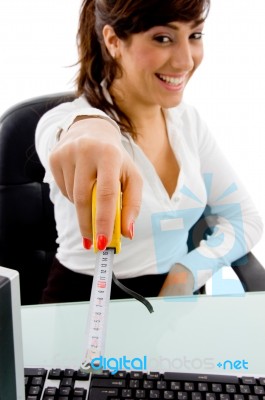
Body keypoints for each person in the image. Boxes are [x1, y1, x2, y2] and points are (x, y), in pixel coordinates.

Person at [36, 0, 263, 303]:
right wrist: (93, 126)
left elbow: (244, 219)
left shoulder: (188, 122)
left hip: (176, 302)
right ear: (114, 40)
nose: (185, 61)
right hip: (83, 303)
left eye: (194, 36)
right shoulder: (63, 120)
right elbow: (69, 133)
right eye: (163, 38)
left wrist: (189, 271)